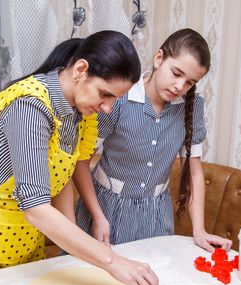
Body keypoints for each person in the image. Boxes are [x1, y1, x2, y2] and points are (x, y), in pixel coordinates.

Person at [0, 30, 159, 285]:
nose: (108, 108)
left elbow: (60, 178)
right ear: (80, 70)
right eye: (105, 94)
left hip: (24, 240)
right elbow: (37, 208)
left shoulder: (79, 113)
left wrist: (79, 249)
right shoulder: (30, 107)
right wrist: (113, 262)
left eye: (115, 100)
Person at [73, 28, 232, 253]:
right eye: (176, 73)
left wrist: (200, 230)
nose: (180, 86)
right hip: (104, 209)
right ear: (159, 58)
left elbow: (194, 171)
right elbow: (81, 162)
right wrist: (98, 217)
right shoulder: (118, 99)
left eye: (189, 82)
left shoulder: (192, 107)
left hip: (156, 215)